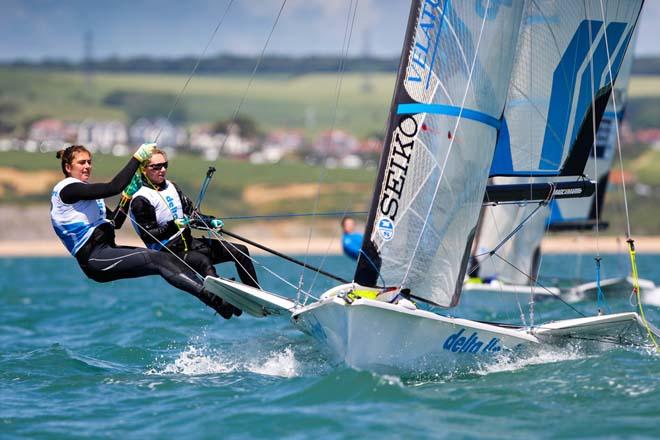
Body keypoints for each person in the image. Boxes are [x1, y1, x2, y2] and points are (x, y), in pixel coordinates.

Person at [50, 144, 237, 319]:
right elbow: (112, 187)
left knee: (165, 259)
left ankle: (222, 303)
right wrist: (137, 158)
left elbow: (115, 223)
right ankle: (216, 301)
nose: (87, 166)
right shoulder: (67, 189)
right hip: (94, 258)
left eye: (89, 162)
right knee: (159, 259)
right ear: (68, 167)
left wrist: (127, 197)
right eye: (81, 162)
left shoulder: (87, 196)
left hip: (107, 251)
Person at [129, 150, 260, 300]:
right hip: (169, 252)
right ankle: (225, 301)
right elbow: (149, 235)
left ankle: (256, 295)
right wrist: (173, 225)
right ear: (143, 169)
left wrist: (209, 221)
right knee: (204, 262)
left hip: (190, 242)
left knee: (240, 251)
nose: (163, 170)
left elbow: (192, 215)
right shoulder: (141, 198)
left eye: (165, 165)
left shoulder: (172, 187)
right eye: (157, 167)